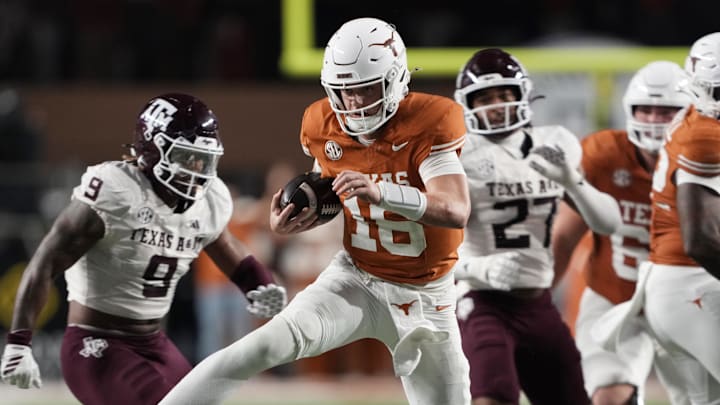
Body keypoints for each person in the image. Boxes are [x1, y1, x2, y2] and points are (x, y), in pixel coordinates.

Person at [160, 17, 472, 405]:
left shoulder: (431, 120)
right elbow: (327, 190)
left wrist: (381, 192)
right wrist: (295, 217)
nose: (355, 102)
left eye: (365, 88)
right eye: (345, 91)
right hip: (356, 279)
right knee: (258, 347)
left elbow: (455, 209)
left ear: (395, 79)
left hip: (427, 294)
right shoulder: (321, 123)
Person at [0, 93, 287, 405]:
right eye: (187, 158)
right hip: (96, 343)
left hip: (155, 343)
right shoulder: (116, 193)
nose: (198, 170)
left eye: (204, 160)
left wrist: (256, 282)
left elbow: (224, 244)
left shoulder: (207, 201)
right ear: (152, 149)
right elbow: (45, 262)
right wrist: (18, 342)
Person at [452, 48, 623, 405]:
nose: (496, 105)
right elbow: (429, 255)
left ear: (522, 96)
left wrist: (573, 183)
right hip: (481, 301)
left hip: (538, 302)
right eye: (484, 98)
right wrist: (480, 268)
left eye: (504, 95)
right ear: (467, 104)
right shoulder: (455, 157)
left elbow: (609, 223)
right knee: (493, 394)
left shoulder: (555, 143)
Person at [551, 61, 692, 405]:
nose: (655, 120)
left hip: (688, 300)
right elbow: (564, 238)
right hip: (614, 296)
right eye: (646, 110)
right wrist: (532, 303)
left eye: (666, 111)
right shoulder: (603, 155)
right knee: (609, 396)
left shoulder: (706, 158)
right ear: (630, 111)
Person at [626, 32, 720, 404]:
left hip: (673, 288)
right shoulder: (705, 135)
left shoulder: (697, 116)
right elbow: (699, 238)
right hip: (691, 284)